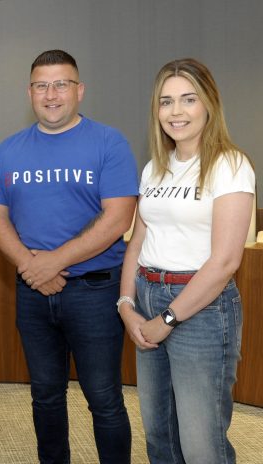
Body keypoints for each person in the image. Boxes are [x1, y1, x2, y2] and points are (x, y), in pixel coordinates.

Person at [0, 49, 137, 463]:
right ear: (29, 91)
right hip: (32, 294)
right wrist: (31, 267)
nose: (51, 94)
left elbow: (118, 216)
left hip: (95, 294)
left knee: (104, 399)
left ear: (79, 90)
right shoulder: (10, 149)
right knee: (45, 396)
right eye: (41, 85)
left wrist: (53, 262)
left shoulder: (109, 142)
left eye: (61, 84)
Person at [118, 58, 255, 463]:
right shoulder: (155, 169)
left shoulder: (230, 165)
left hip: (202, 310)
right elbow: (137, 240)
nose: (175, 112)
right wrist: (126, 305)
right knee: (160, 436)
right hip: (146, 297)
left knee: (201, 445)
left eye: (188, 99)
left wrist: (168, 320)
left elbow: (226, 261)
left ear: (209, 104)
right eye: (166, 101)